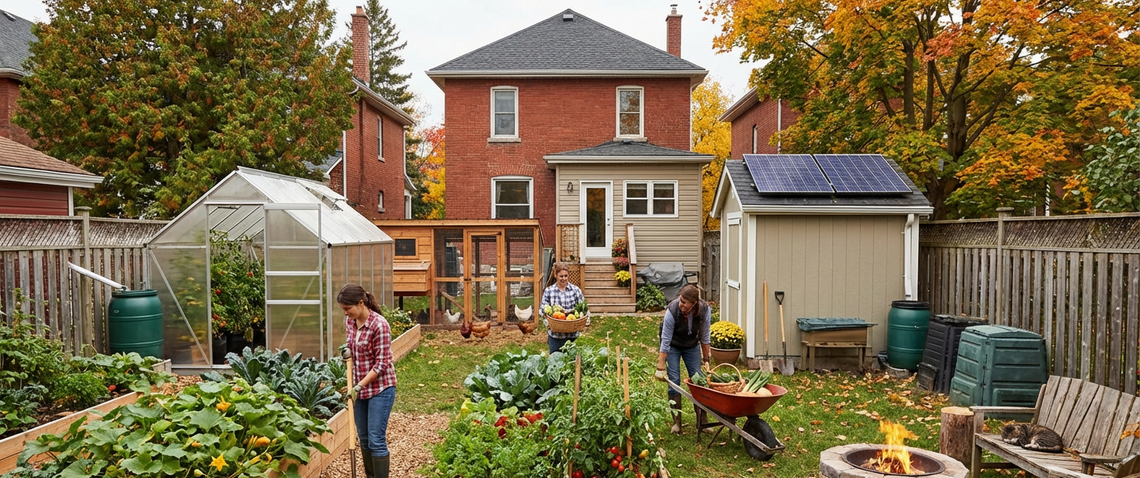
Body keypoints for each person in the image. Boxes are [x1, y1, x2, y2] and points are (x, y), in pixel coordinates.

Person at [339, 283, 397, 478]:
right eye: (343, 310)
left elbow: (382, 364)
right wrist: (347, 352)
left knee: (376, 439)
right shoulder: (351, 321)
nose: (346, 313)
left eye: (348, 308)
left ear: (361, 303)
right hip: (359, 388)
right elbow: (351, 345)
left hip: (381, 388)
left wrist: (358, 385)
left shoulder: (380, 325)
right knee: (363, 439)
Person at [653, 284, 711, 434]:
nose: (681, 304)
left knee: (699, 381)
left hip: (692, 346)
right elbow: (665, 340)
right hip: (673, 346)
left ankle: (702, 422)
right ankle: (677, 423)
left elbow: (705, 336)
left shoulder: (704, 310)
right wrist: (660, 365)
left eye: (685, 302)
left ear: (694, 304)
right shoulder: (672, 310)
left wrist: (706, 360)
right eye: (680, 300)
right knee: (674, 381)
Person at [540, 261, 586, 354]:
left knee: (572, 365)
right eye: (561, 276)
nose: (564, 278)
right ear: (555, 275)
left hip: (573, 336)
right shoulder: (549, 291)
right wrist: (548, 319)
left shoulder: (576, 290)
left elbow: (583, 309)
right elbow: (542, 310)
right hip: (555, 337)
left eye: (566, 276)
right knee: (555, 364)